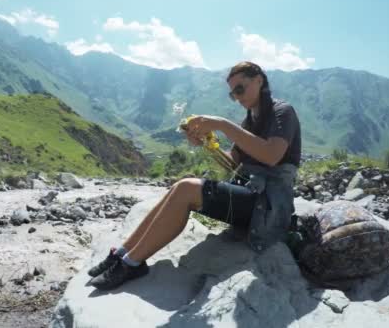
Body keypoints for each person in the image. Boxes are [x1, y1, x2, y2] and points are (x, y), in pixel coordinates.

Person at [87, 61, 302, 290]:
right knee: (178, 188)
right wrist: (207, 145)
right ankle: (122, 253)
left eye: (240, 89)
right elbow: (233, 164)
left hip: (268, 206)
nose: (237, 97)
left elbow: (271, 155)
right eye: (232, 94)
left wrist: (222, 124)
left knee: (186, 188)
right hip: (252, 198)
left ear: (259, 80)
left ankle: (132, 264)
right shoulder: (249, 121)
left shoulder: (282, 112)